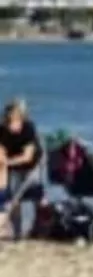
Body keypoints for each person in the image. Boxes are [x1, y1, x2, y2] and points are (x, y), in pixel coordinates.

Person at [0, 100, 42, 239]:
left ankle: (39, 228)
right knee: (14, 197)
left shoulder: (28, 129)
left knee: (36, 196)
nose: (12, 124)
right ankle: (17, 232)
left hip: (32, 165)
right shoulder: (2, 130)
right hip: (13, 166)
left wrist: (7, 161)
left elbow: (27, 157)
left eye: (15, 120)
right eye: (9, 120)